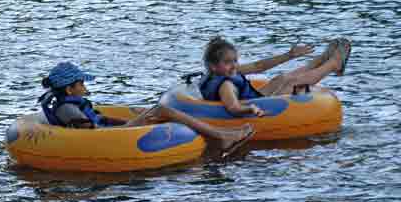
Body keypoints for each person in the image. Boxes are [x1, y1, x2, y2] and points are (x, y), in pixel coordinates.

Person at [38, 62, 254, 156]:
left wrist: (129, 122)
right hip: (107, 139)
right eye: (81, 84)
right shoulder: (66, 108)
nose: (85, 87)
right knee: (161, 110)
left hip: (110, 132)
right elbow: (88, 133)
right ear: (69, 89)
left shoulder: (69, 103)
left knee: (157, 113)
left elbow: (98, 120)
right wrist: (131, 127)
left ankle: (219, 138)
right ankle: (221, 136)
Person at [199, 36, 352, 116]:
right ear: (213, 66)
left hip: (255, 96)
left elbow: (258, 66)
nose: (234, 65)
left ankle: (320, 61)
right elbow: (233, 107)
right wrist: (251, 109)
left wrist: (290, 55)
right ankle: (334, 64)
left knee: (281, 78)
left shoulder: (223, 71)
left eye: (235, 60)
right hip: (260, 104)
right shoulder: (226, 85)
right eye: (228, 62)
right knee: (293, 83)